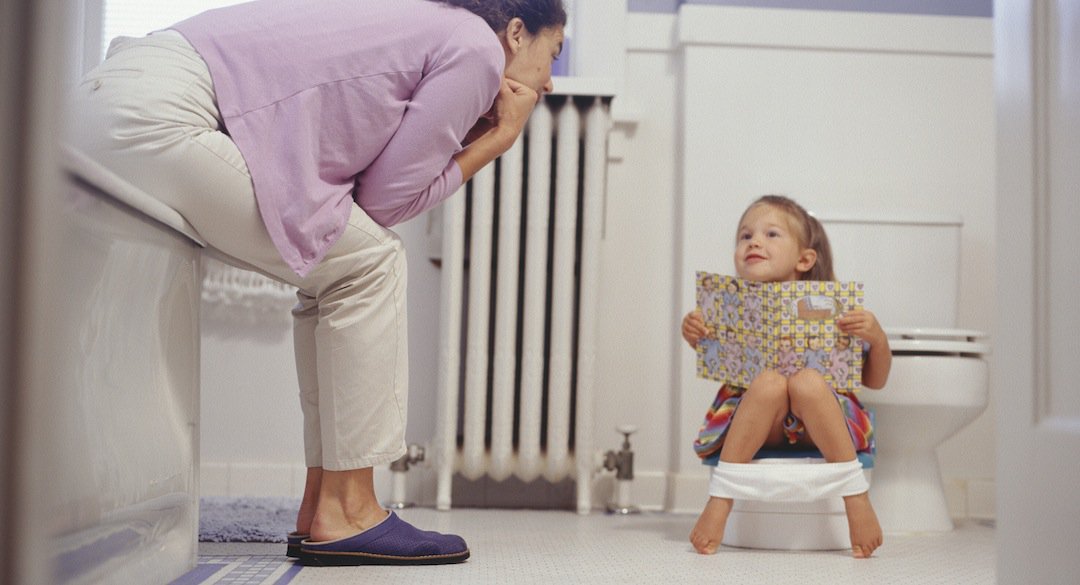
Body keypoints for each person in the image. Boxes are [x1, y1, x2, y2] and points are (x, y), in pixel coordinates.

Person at [67, 0, 566, 566]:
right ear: (517, 34)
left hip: (108, 99)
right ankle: (349, 510)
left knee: (341, 268)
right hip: (156, 116)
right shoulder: (477, 46)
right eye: (553, 54)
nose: (549, 81)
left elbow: (358, 189)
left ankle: (321, 506)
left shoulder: (423, 27)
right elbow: (384, 204)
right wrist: (499, 139)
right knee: (372, 261)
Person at [680, 195, 891, 559]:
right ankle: (721, 499)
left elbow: (876, 381)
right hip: (761, 417)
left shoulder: (835, 309)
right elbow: (718, 359)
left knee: (806, 382)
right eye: (745, 236)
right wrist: (695, 334)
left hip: (821, 418)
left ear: (804, 259)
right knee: (770, 383)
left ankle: (855, 496)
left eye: (771, 234)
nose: (754, 242)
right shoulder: (726, 306)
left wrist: (877, 337)